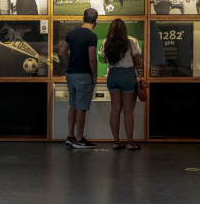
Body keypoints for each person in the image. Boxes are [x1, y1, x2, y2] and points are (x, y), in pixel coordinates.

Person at [98, 18, 142, 150]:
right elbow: (138, 61)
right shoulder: (130, 42)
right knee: (128, 111)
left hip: (112, 75)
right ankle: (130, 142)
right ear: (124, 29)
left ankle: (116, 141)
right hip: (127, 75)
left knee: (115, 109)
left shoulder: (106, 42)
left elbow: (102, 58)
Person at [59, 8, 98, 149]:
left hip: (71, 74)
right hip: (84, 74)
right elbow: (92, 58)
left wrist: (68, 64)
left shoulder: (72, 33)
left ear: (83, 18)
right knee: (81, 107)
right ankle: (80, 139)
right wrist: (95, 74)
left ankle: (70, 136)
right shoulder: (91, 36)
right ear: (96, 20)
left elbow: (63, 51)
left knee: (73, 105)